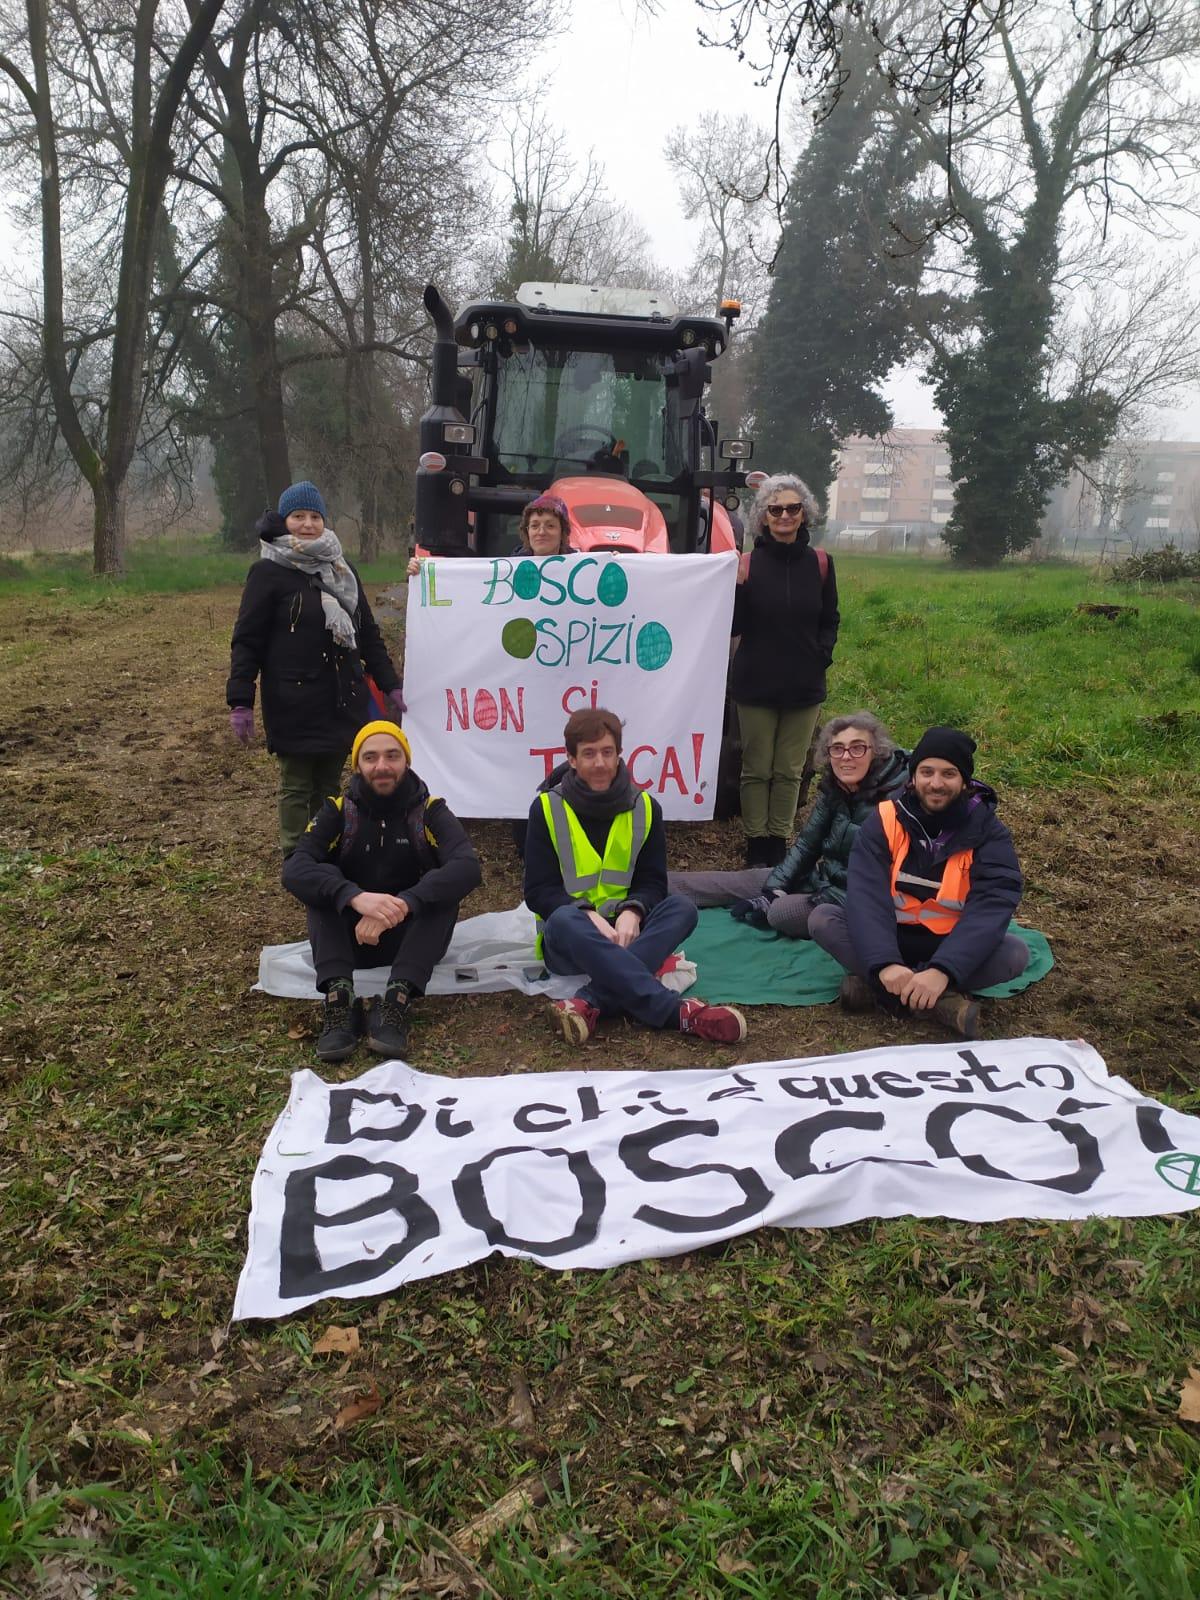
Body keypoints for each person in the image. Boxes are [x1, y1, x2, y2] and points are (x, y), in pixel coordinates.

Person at [523, 707, 748, 1045]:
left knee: (682, 908)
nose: (600, 763)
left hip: (628, 935)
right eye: (589, 754)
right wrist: (586, 914)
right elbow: (538, 891)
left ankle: (588, 1002)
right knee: (563, 919)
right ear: (571, 759)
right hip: (571, 942)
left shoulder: (646, 807)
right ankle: (677, 1014)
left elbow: (653, 882)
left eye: (607, 752)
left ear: (619, 755)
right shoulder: (545, 808)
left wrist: (634, 909)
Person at [808, 726, 1029, 1039]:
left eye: (948, 774)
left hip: (948, 941)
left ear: (965, 782)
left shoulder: (989, 832)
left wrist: (943, 970)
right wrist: (885, 963)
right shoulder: (885, 819)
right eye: (927, 772)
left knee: (1015, 954)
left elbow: (992, 905)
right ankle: (937, 1002)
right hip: (891, 936)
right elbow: (866, 897)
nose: (936, 783)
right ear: (913, 778)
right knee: (823, 919)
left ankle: (884, 992)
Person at [282, 720, 481, 1063]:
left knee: (441, 887)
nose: (382, 766)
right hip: (352, 938)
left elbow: (467, 866)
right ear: (357, 765)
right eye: (370, 757)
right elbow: (295, 868)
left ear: (407, 761)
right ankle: (339, 999)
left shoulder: (430, 810)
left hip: (413, 939)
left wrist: (404, 904)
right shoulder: (338, 811)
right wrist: (354, 897)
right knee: (323, 881)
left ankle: (396, 1000)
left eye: (392, 756)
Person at [227, 481, 405, 854]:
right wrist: (241, 699)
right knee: (296, 784)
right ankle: (296, 855)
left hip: (341, 698)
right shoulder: (267, 572)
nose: (307, 524)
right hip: (293, 701)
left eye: (314, 516)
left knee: (328, 784)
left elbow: (366, 633)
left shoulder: (341, 568)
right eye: (298, 516)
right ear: (284, 520)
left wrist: (390, 683)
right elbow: (247, 640)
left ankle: (325, 847)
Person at [669, 712, 908, 938]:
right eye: (837, 748)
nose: (846, 757)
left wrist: (789, 898)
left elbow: (883, 879)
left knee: (781, 913)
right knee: (750, 880)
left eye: (857, 748)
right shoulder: (836, 788)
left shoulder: (896, 800)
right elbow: (806, 845)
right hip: (820, 879)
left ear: (876, 752)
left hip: (855, 901)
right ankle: (657, 885)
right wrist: (775, 889)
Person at [731, 473, 839, 869]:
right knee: (757, 768)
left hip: (804, 685)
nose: (784, 516)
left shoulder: (821, 563)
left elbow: (830, 618)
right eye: (775, 509)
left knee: (790, 770)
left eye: (793, 508)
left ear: (804, 513)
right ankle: (755, 842)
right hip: (755, 683)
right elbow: (734, 625)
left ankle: (778, 841)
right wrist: (738, 587)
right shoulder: (748, 564)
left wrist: (820, 656)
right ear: (763, 516)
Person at [407, 492, 572, 576]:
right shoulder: (507, 571)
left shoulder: (582, 569)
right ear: (527, 531)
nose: (541, 532)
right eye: (534, 526)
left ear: (563, 531)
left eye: (550, 526)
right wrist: (422, 572)